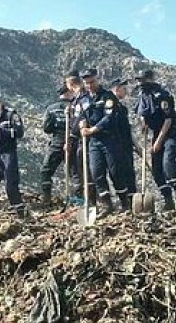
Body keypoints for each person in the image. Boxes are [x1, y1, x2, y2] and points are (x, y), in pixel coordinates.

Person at [77, 68, 129, 215]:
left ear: (97, 79)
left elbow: (109, 118)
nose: (89, 85)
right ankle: (107, 205)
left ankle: (124, 203)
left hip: (109, 139)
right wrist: (82, 124)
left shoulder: (108, 97)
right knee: (96, 172)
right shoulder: (84, 99)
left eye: (91, 82)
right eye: (86, 83)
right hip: (94, 142)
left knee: (115, 172)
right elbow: (80, 115)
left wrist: (93, 129)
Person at [135, 69, 176, 210]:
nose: (141, 83)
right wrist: (143, 123)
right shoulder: (143, 96)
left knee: (167, 161)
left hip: (170, 131)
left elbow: (168, 120)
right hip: (157, 131)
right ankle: (168, 199)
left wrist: (158, 141)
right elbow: (142, 112)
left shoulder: (162, 95)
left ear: (150, 79)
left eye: (143, 80)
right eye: (139, 80)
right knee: (156, 167)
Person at [0, 89, 27, 218]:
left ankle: (20, 214)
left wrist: (1, 130)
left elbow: (19, 133)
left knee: (10, 185)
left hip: (8, 154)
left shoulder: (11, 115)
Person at [40, 84, 75, 208]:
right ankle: (78, 201)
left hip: (57, 143)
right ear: (70, 93)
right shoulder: (77, 106)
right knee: (75, 173)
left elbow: (47, 129)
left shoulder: (51, 109)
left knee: (46, 170)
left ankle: (46, 200)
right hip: (74, 142)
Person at [109, 78, 138, 196]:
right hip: (115, 145)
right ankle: (124, 200)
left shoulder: (122, 108)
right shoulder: (110, 106)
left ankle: (132, 200)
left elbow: (126, 129)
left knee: (129, 173)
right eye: (124, 89)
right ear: (117, 89)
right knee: (117, 173)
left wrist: (135, 144)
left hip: (126, 145)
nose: (126, 91)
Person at [64, 70, 85, 205]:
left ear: (71, 84)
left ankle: (87, 199)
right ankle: (78, 197)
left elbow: (80, 119)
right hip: (76, 138)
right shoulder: (76, 99)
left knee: (82, 168)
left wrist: (71, 137)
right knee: (75, 168)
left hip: (83, 138)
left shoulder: (83, 97)